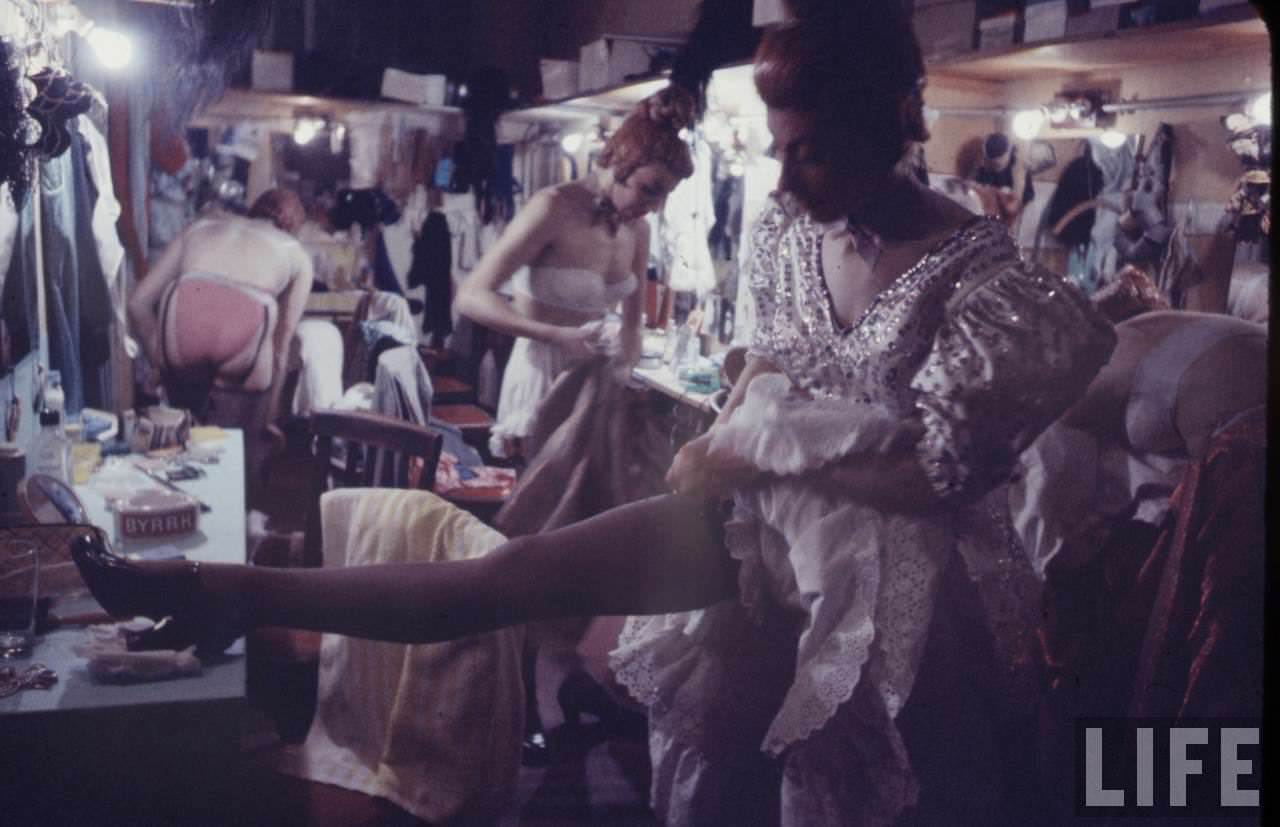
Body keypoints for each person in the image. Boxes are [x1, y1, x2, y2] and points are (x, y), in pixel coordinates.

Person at [73, 3, 1115, 824]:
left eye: (811, 153)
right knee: (498, 577)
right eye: (780, 151)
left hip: (901, 593)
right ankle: (225, 590)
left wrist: (756, 442)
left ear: (894, 121)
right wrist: (731, 429)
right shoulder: (791, 234)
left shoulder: (987, 274)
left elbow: (938, 471)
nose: (788, 184)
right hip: (754, 525)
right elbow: (764, 365)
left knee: (849, 785)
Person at [1012, 310, 1266, 819]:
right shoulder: (1134, 335)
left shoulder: (1049, 395)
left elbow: (1048, 542)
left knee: (1208, 647)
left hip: (1241, 439)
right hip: (1241, 396)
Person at [454, 92, 693, 460]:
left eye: (665, 195)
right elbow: (471, 296)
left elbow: (633, 324)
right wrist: (557, 335)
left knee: (589, 504)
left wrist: (624, 372)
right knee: (537, 506)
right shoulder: (553, 207)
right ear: (621, 164)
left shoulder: (638, 230)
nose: (655, 206)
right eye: (650, 189)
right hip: (541, 370)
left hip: (598, 381)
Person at [127, 188, 314, 489]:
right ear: (294, 226)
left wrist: (160, 357)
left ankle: (172, 516)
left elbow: (138, 303)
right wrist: (270, 418)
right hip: (248, 326)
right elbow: (282, 349)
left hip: (185, 321)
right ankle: (238, 513)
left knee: (177, 457)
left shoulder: (202, 225)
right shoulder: (295, 253)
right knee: (235, 465)